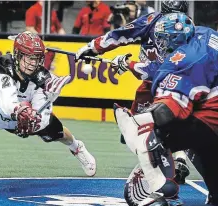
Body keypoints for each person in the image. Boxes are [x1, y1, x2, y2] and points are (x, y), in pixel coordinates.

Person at [111, 13, 218, 206]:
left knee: (157, 130)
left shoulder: (185, 60)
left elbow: (166, 112)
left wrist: (138, 122)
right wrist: (130, 65)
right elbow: (175, 70)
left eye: (164, 40)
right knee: (203, 132)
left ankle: (165, 194)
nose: (161, 45)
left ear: (176, 40)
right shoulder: (204, 34)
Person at [76, 0, 190, 192]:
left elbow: (159, 71)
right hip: (163, 84)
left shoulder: (179, 28)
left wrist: (128, 65)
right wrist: (93, 47)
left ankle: (170, 163)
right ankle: (177, 158)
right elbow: (122, 34)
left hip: (167, 83)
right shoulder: (167, 24)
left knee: (144, 127)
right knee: (138, 129)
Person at [0, 31, 96, 177]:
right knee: (6, 112)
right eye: (28, 57)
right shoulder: (1, 67)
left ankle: (77, 147)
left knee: (56, 131)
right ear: (17, 55)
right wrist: (20, 110)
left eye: (36, 58)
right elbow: (5, 103)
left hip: (24, 114)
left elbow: (42, 115)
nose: (32, 63)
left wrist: (46, 101)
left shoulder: (43, 78)